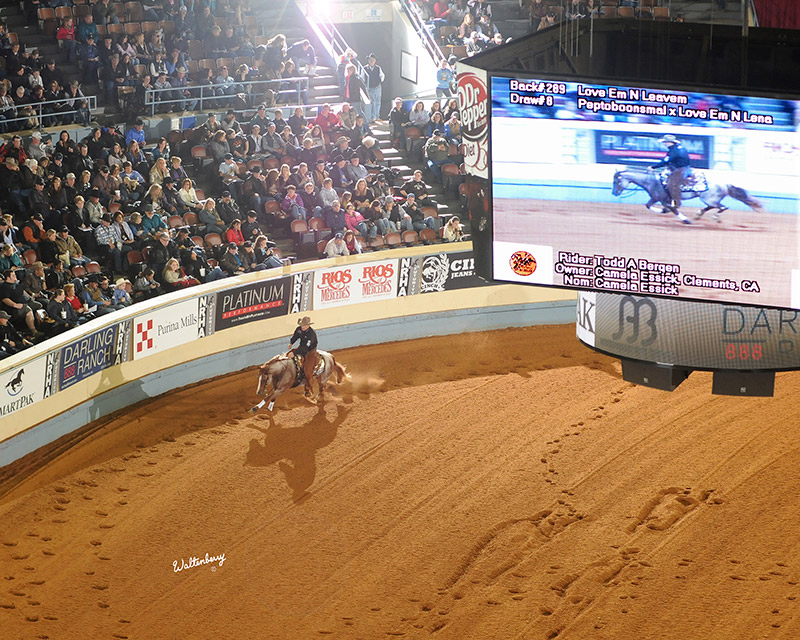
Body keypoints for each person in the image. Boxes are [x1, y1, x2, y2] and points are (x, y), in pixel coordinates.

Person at [650, 134, 692, 208]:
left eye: (665, 142)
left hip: (680, 169)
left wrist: (653, 167)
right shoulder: (677, 148)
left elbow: (666, 161)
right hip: (682, 167)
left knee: (672, 185)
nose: (664, 144)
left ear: (670, 142)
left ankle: (676, 203)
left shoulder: (674, 151)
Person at [288, 315, 318, 398]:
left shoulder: (311, 334)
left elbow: (306, 348)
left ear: (308, 325)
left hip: (310, 351)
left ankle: (309, 389)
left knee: (308, 371)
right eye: (302, 325)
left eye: (304, 325)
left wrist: (295, 352)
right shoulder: (299, 329)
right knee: (288, 355)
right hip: (301, 347)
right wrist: (291, 343)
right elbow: (295, 336)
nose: (303, 327)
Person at [362, 53, 385, 123]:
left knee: (377, 101)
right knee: (372, 102)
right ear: (368, 60)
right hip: (369, 87)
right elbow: (362, 77)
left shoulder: (378, 68)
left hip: (377, 87)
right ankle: (372, 117)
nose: (372, 61)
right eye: (370, 60)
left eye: (373, 60)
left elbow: (382, 76)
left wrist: (379, 81)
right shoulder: (364, 68)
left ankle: (377, 116)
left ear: (375, 61)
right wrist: (366, 84)